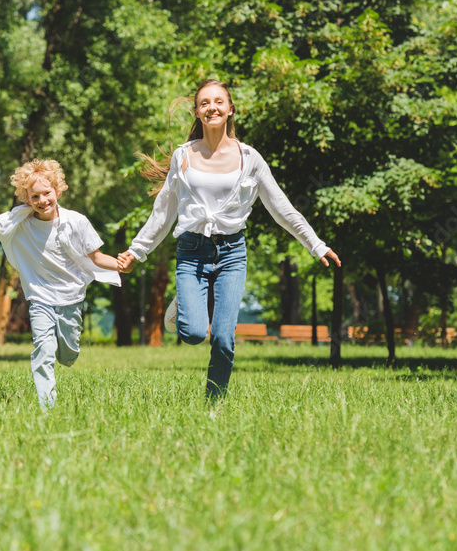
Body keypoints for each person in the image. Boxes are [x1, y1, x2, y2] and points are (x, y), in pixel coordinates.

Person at [117, 80, 341, 398]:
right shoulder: (184, 156)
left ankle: (214, 404)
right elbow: (163, 213)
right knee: (194, 333)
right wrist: (135, 251)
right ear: (197, 112)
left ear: (230, 109)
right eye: (205, 102)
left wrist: (316, 244)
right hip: (192, 251)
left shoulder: (249, 158)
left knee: (223, 337)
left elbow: (282, 209)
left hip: (232, 253)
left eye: (219, 101)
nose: (212, 107)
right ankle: (185, 302)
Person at [0, 159, 121, 409]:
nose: (42, 201)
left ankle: (67, 353)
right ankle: (46, 406)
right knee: (43, 349)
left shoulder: (76, 222)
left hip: (71, 298)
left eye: (46, 193)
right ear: (27, 199)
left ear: (58, 191)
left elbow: (96, 257)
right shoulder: (20, 220)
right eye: (35, 196)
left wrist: (121, 263)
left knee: (68, 355)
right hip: (40, 297)